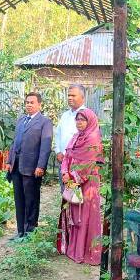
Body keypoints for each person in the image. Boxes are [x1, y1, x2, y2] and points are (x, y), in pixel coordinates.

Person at [58, 109, 104, 265]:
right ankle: (73, 248)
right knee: (74, 212)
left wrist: (71, 177)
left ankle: (85, 252)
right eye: (77, 120)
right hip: (72, 180)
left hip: (88, 183)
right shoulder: (75, 137)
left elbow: (88, 165)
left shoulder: (93, 139)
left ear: (90, 121)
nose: (79, 122)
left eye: (83, 120)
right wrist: (65, 173)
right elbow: (67, 157)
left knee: (85, 216)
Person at [5, 93, 53, 240]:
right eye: (27, 102)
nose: (29, 105)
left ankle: (30, 231)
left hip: (32, 168)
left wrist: (41, 166)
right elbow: (14, 142)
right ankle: (20, 231)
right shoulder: (21, 120)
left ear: (39, 105)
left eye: (32, 102)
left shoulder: (45, 122)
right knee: (19, 199)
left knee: (31, 199)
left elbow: (46, 146)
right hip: (17, 166)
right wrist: (9, 161)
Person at [54, 84, 88, 189]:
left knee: (76, 194)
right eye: (68, 95)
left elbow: (87, 141)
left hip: (78, 164)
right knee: (66, 193)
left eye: (73, 95)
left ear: (83, 98)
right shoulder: (65, 115)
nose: (69, 98)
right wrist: (58, 151)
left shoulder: (87, 115)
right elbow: (58, 134)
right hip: (63, 162)